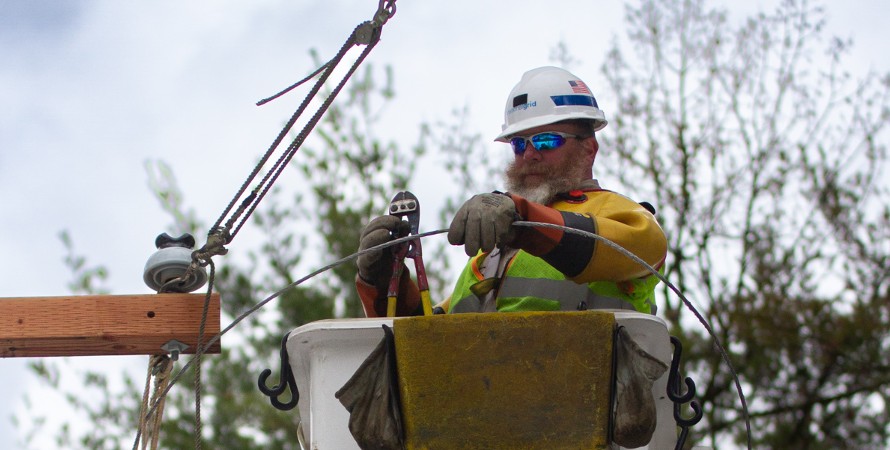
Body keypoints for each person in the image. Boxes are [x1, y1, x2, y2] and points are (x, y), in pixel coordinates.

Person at [355, 66, 667, 317]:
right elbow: (428, 344)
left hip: (593, 394)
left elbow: (620, 249)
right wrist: (383, 281)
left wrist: (522, 216)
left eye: (547, 140)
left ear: (589, 148)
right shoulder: (491, 254)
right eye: (519, 144)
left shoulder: (626, 218)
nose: (529, 154)